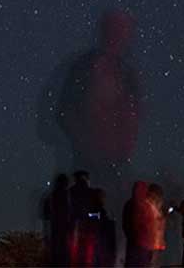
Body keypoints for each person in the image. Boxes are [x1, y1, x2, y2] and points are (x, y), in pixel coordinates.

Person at [57, 10, 141, 199]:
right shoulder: (83, 68)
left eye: (123, 32)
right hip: (89, 159)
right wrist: (84, 139)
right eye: (115, 31)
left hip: (116, 161)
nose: (119, 37)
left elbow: (135, 113)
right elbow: (65, 110)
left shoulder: (126, 73)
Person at [42, 174, 72, 267]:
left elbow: (46, 215)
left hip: (54, 229)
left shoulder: (51, 196)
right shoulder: (68, 196)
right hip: (64, 230)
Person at [123, 181, 153, 268]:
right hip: (140, 246)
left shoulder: (130, 204)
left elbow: (126, 226)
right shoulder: (145, 205)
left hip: (135, 245)